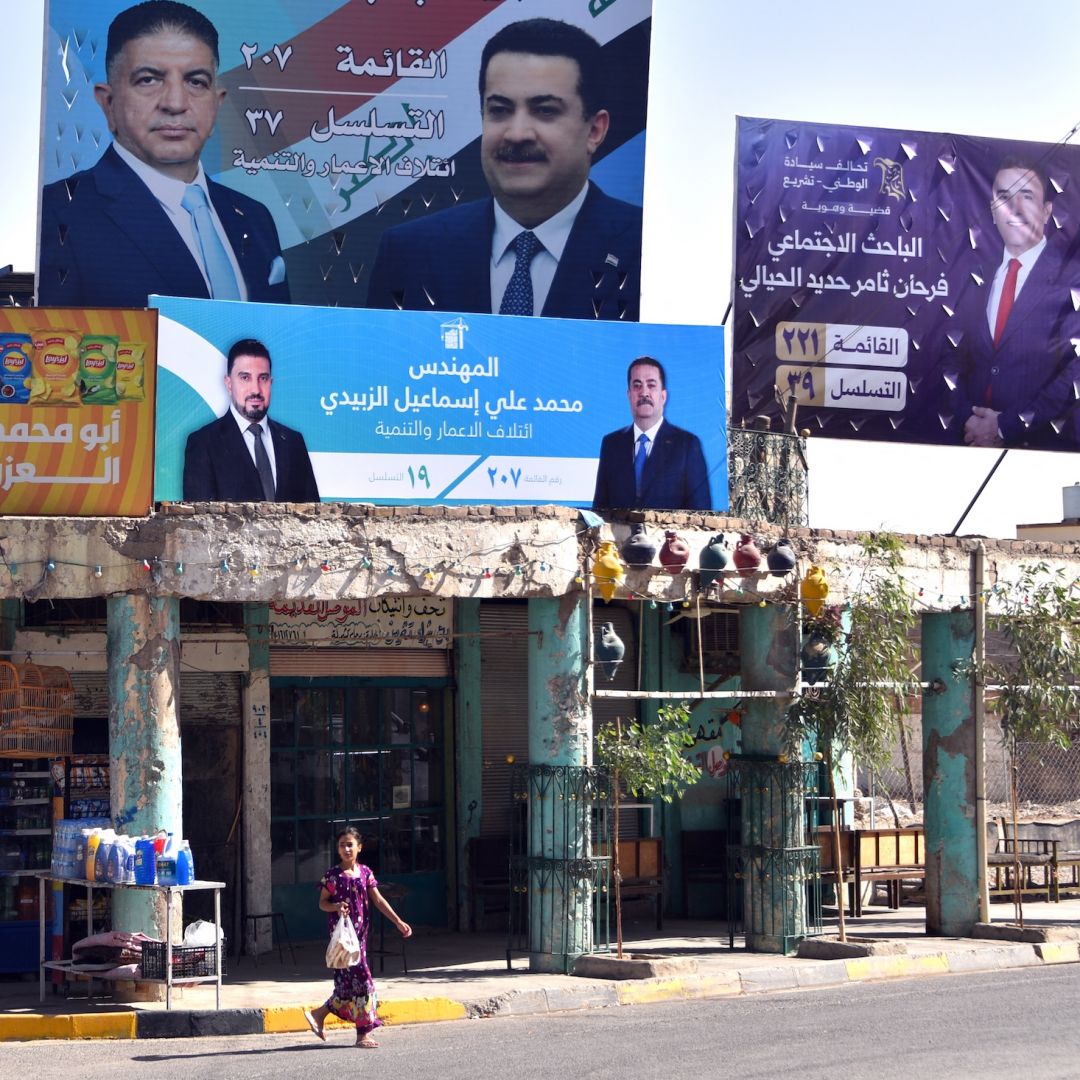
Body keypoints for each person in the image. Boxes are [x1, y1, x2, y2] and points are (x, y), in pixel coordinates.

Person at [366, 17, 641, 321]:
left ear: (595, 130)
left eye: (545, 110)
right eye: (499, 110)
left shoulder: (650, 249)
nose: (517, 133)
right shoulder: (409, 252)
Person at [38, 0, 289, 307]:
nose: (175, 102)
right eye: (149, 79)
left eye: (196, 81)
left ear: (217, 103)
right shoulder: (58, 212)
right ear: (108, 103)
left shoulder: (254, 217)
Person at [950, 154, 1080, 449]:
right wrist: (966, 420)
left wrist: (1007, 426)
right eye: (1004, 196)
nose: (1014, 208)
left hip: (1042, 453)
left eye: (1027, 196)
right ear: (992, 210)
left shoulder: (1073, 278)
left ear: (1047, 211)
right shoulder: (972, 275)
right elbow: (950, 354)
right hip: (965, 445)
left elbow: (1077, 371)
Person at [303, 827, 412, 1048]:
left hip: (360, 938)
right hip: (344, 940)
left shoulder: (365, 873)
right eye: (342, 845)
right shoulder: (333, 876)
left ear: (359, 847)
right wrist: (335, 906)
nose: (346, 848)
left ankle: (318, 1015)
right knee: (364, 982)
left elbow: (379, 901)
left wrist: (398, 921)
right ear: (337, 849)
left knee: (346, 988)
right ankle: (363, 1034)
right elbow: (322, 903)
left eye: (350, 844)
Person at [182, 339, 319, 502]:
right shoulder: (203, 443)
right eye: (245, 378)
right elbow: (200, 521)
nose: (256, 389)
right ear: (229, 383)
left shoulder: (293, 442)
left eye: (263, 378)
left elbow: (313, 517)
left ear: (271, 383)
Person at [592, 357, 712, 511]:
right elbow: (600, 507)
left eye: (651, 385)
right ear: (629, 395)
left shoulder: (687, 445)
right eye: (637, 385)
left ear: (663, 396)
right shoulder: (611, 444)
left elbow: (700, 510)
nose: (644, 393)